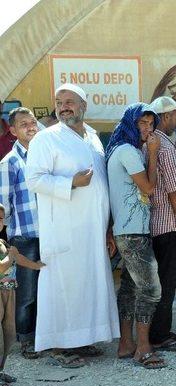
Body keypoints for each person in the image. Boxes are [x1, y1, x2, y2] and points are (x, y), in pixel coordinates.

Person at [25, 83, 120, 367]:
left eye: (70, 101)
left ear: (83, 106)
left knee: (89, 284)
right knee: (63, 286)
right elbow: (35, 180)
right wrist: (71, 183)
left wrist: (107, 227)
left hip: (93, 230)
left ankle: (83, 339)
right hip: (64, 228)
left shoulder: (92, 136)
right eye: (59, 101)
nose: (63, 105)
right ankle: (59, 345)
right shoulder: (47, 139)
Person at [106, 102, 166, 369]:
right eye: (142, 123)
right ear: (131, 123)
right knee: (151, 289)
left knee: (130, 288)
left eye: (151, 123)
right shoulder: (129, 152)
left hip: (128, 229)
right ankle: (142, 347)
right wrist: (153, 153)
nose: (147, 128)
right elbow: (150, 188)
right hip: (132, 232)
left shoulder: (120, 150)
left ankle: (125, 344)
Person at [146, 96, 176, 352]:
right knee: (168, 280)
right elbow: (175, 190)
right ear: (166, 116)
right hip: (168, 224)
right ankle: (159, 335)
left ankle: (158, 330)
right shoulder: (163, 146)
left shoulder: (151, 144)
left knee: (159, 281)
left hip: (153, 223)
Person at [0, 108, 41, 360]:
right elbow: (2, 203)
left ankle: (41, 335)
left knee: (45, 289)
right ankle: (25, 339)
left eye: (33, 122)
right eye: (24, 124)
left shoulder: (43, 156)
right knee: (26, 292)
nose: (31, 127)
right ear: (13, 131)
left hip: (48, 234)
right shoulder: (9, 163)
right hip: (24, 236)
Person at [0, 202, 45, 386]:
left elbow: (18, 258)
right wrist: (10, 257)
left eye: (1, 218)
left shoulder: (3, 243)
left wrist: (36, 266)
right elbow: (4, 265)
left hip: (9, 292)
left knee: (8, 333)